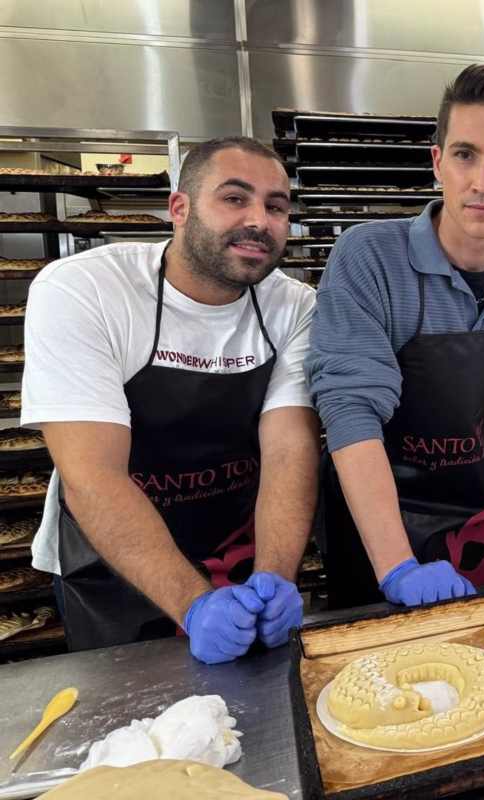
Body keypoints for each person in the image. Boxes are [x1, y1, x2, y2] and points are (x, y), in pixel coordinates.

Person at [22, 137, 319, 661]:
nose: (259, 220)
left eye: (276, 207)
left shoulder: (296, 307)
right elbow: (92, 475)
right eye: (234, 198)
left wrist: (274, 577)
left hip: (239, 544)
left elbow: (288, 450)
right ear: (178, 208)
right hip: (112, 560)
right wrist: (193, 604)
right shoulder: (84, 290)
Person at [308, 64, 484, 608]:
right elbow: (350, 410)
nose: (483, 182)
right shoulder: (368, 257)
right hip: (371, 509)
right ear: (438, 161)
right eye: (465, 155)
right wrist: (396, 565)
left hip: (468, 498)